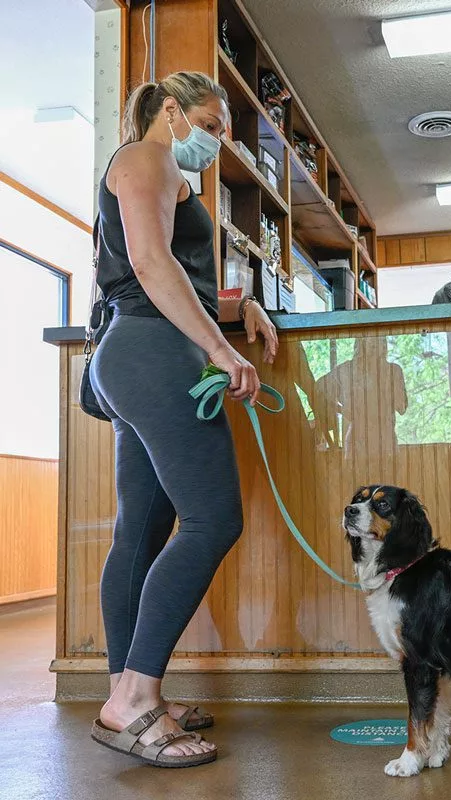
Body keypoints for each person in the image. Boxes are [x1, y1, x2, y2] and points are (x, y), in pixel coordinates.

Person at [88, 72, 278, 767]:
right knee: (213, 519)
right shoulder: (147, 157)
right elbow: (146, 261)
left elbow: (172, 275)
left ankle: (127, 692)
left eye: (223, 128)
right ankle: (135, 698)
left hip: (139, 354)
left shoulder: (165, 169)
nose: (216, 137)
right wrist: (221, 348)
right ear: (171, 111)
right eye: (209, 120)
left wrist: (236, 307)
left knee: (142, 528)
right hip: (152, 354)